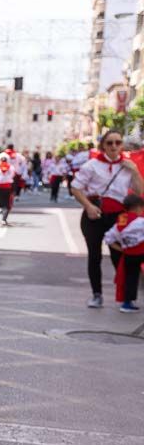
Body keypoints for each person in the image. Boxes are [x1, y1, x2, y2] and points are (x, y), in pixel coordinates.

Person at [71, 130, 144, 308]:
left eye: (118, 142)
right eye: (110, 143)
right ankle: (97, 294)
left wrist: (134, 171)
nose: (114, 146)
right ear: (103, 145)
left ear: (122, 145)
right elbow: (75, 188)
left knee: (120, 257)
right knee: (94, 256)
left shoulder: (127, 166)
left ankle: (126, 297)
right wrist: (88, 206)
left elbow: (140, 193)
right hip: (94, 215)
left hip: (118, 218)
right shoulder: (92, 165)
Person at [103, 193, 144, 312]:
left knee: (130, 278)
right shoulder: (141, 221)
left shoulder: (121, 221)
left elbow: (108, 238)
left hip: (128, 255)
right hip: (141, 253)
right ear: (137, 207)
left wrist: (121, 249)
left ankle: (127, 303)